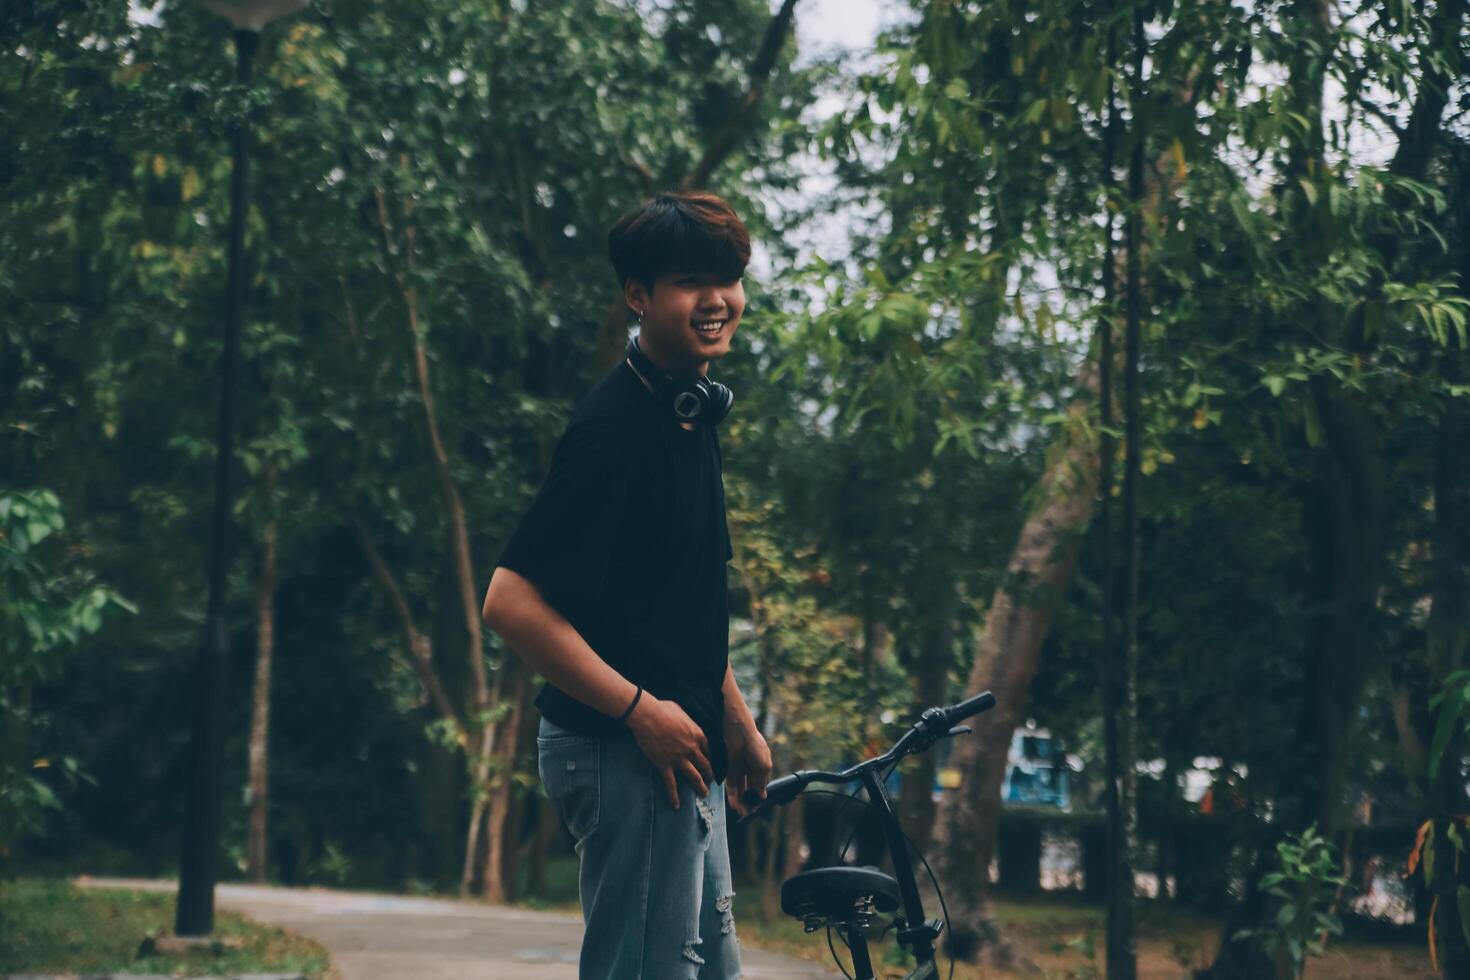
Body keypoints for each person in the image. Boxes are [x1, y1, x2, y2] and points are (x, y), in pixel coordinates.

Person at [481, 190, 772, 980]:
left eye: (729, 278)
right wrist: (642, 712)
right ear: (638, 296)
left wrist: (734, 720)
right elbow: (508, 602)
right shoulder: (613, 433)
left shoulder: (691, 415)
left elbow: (676, 604)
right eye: (690, 281)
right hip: (623, 749)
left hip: (683, 744)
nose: (717, 301)